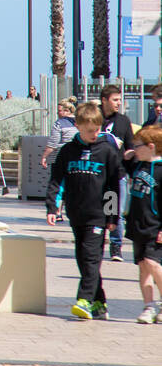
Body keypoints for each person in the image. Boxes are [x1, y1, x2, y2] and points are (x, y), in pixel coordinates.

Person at [46, 102, 125, 320]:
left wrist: (112, 217)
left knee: (91, 257)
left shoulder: (107, 151)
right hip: (76, 213)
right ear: (78, 126)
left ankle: (84, 300)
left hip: (98, 216)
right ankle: (100, 302)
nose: (94, 134)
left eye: (97, 130)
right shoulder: (68, 151)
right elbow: (56, 180)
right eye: (89, 130)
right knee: (82, 258)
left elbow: (113, 186)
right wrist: (52, 207)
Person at [123, 126, 162, 323]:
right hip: (137, 224)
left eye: (138, 146)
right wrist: (128, 154)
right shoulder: (139, 166)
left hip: (154, 226)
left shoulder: (160, 170)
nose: (135, 149)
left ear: (151, 147)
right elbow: (121, 166)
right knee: (143, 266)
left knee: (153, 263)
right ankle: (149, 305)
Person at [100, 84, 136, 262]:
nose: (118, 103)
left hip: (117, 174)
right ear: (104, 100)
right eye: (115, 100)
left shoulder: (123, 121)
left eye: (120, 100)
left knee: (115, 211)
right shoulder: (94, 117)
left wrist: (132, 161)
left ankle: (116, 246)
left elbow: (129, 147)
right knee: (100, 210)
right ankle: (97, 241)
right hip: (97, 173)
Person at [41, 99, 79, 169]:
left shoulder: (59, 123)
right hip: (79, 158)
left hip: (63, 157)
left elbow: (53, 143)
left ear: (67, 111)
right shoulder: (80, 122)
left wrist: (44, 157)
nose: (57, 113)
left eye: (59, 111)